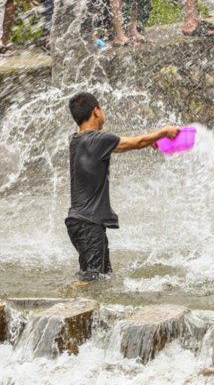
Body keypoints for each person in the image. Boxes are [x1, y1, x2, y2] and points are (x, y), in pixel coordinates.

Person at [65, 92, 180, 281]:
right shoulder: (98, 139)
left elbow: (126, 145)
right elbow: (136, 142)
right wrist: (163, 132)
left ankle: (85, 306)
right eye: (102, 109)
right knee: (89, 279)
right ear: (96, 111)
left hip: (82, 223)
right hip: (88, 224)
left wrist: (149, 141)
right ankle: (66, 306)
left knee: (103, 276)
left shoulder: (78, 141)